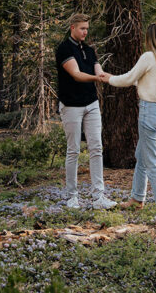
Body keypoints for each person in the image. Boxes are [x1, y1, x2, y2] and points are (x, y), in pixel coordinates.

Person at [99, 22, 156, 211]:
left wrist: (109, 78)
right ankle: (137, 199)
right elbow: (145, 81)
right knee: (142, 155)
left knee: (152, 162)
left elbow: (129, 78)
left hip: (149, 112)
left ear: (150, 38)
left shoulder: (149, 57)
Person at [55, 12, 117, 210]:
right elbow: (76, 75)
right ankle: (72, 196)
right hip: (71, 105)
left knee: (96, 148)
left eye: (87, 29)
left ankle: (98, 196)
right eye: (82, 28)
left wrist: (110, 77)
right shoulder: (64, 49)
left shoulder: (89, 50)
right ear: (72, 27)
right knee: (73, 150)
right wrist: (97, 78)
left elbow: (98, 71)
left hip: (91, 104)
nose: (85, 32)